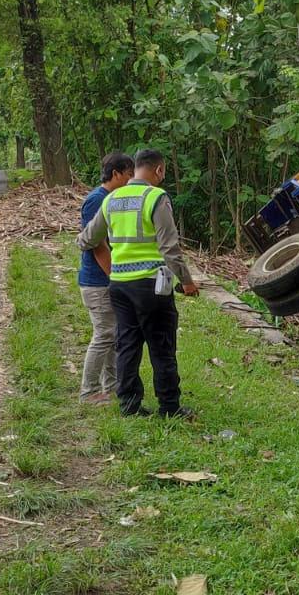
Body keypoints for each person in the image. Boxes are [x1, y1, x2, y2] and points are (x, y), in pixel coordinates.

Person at [77, 148, 199, 418]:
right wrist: (187, 282)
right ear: (158, 170)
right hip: (152, 285)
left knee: (127, 345)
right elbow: (170, 248)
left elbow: (85, 239)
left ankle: (129, 406)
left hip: (119, 285)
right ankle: (169, 407)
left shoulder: (111, 199)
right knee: (162, 346)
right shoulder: (156, 197)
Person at [76, 152, 134, 405]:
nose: (131, 181)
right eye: (129, 175)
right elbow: (96, 244)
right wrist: (115, 277)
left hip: (107, 280)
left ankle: (110, 387)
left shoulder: (112, 199)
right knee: (103, 335)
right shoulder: (96, 200)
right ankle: (88, 392)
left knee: (113, 335)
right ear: (116, 174)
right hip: (97, 281)